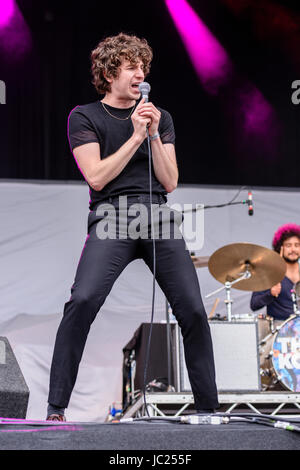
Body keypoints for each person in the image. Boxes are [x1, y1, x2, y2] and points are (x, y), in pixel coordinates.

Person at [46, 33, 219, 421]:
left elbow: (170, 180)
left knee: (192, 309)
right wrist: (135, 136)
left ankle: (209, 409)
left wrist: (154, 133)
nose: (140, 72)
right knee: (83, 301)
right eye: (131, 66)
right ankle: (56, 407)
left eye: (143, 66)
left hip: (157, 213)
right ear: (110, 74)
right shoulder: (85, 116)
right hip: (113, 216)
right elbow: (97, 177)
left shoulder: (160, 117)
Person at [250, 224, 300, 321]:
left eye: (297, 245)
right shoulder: (269, 273)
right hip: (279, 330)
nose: (293, 249)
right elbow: (254, 304)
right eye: (288, 245)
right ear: (280, 248)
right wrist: (270, 294)